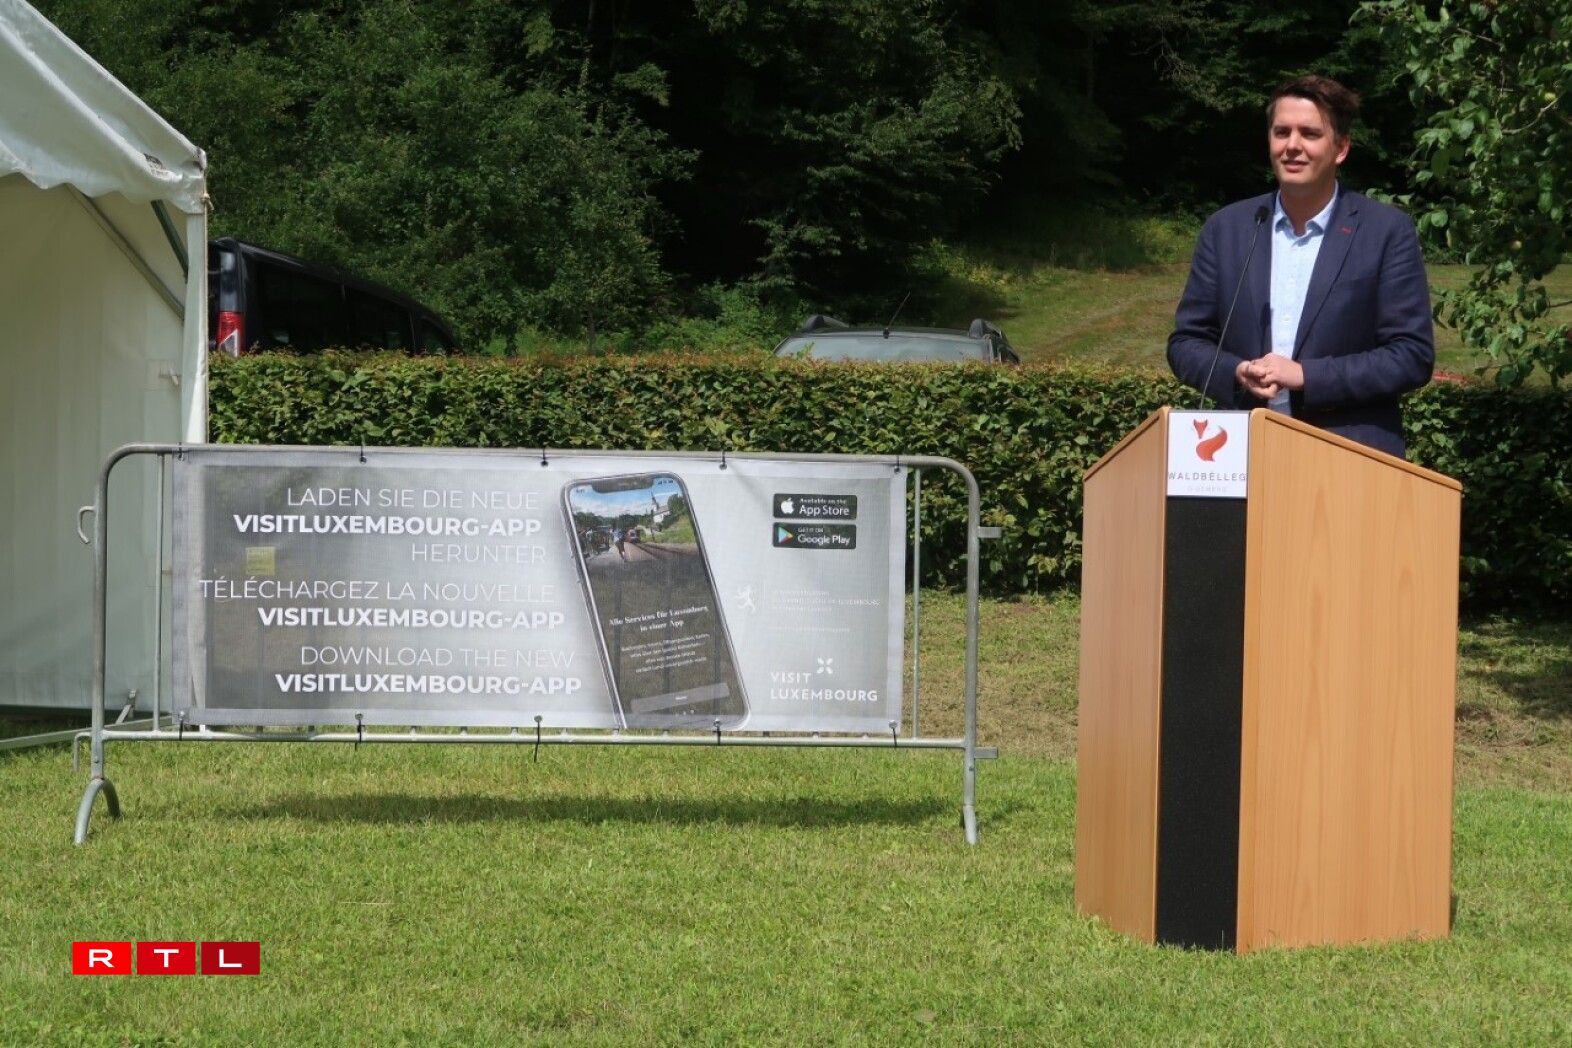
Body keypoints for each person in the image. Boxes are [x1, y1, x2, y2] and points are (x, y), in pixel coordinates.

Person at [1166, 74, 1434, 459]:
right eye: (1281, 132)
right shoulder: (1226, 229)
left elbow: (1411, 356)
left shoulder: (1386, 231)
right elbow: (1185, 344)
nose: (1292, 145)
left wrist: (1306, 375)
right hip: (1243, 454)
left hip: (1350, 457)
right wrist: (1236, 371)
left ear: (1341, 148)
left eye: (1309, 134)